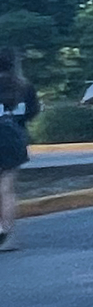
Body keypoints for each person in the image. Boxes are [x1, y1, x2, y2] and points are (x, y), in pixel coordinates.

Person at [0, 61, 35, 252]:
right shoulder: (24, 86)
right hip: (15, 139)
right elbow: (32, 111)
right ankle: (5, 231)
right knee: (7, 188)